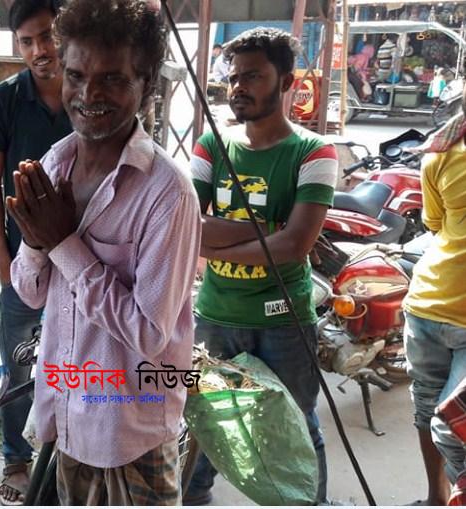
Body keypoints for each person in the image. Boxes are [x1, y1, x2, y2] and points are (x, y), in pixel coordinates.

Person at [9, 0, 201, 504]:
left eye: (112, 79)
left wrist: (64, 245)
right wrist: (36, 242)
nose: (89, 94)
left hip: (131, 430)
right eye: (76, 76)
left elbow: (150, 334)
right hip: (67, 414)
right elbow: (29, 292)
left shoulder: (168, 193)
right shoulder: (56, 164)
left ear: (146, 83)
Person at [184, 27, 338, 505]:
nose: (238, 87)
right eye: (233, 78)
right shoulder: (211, 144)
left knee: (295, 425)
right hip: (216, 315)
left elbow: (295, 245)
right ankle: (193, 499)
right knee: (206, 421)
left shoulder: (314, 151)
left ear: (286, 82)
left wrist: (213, 243)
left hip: (284, 320)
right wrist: (271, 229)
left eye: (252, 76)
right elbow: (184, 225)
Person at [0, 0, 72, 503]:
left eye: (48, 35)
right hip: (24, 265)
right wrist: (5, 266)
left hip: (81, 265)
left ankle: (68, 456)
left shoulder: (86, 93)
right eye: (28, 41)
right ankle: (16, 458)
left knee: (73, 364)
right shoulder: (3, 100)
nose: (41, 50)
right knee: (17, 366)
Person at [401, 85, 466, 506]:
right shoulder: (439, 153)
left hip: (435, 305)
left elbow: (437, 224)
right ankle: (438, 498)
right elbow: (437, 224)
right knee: (433, 413)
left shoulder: (441, 150)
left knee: (446, 423)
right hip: (431, 309)